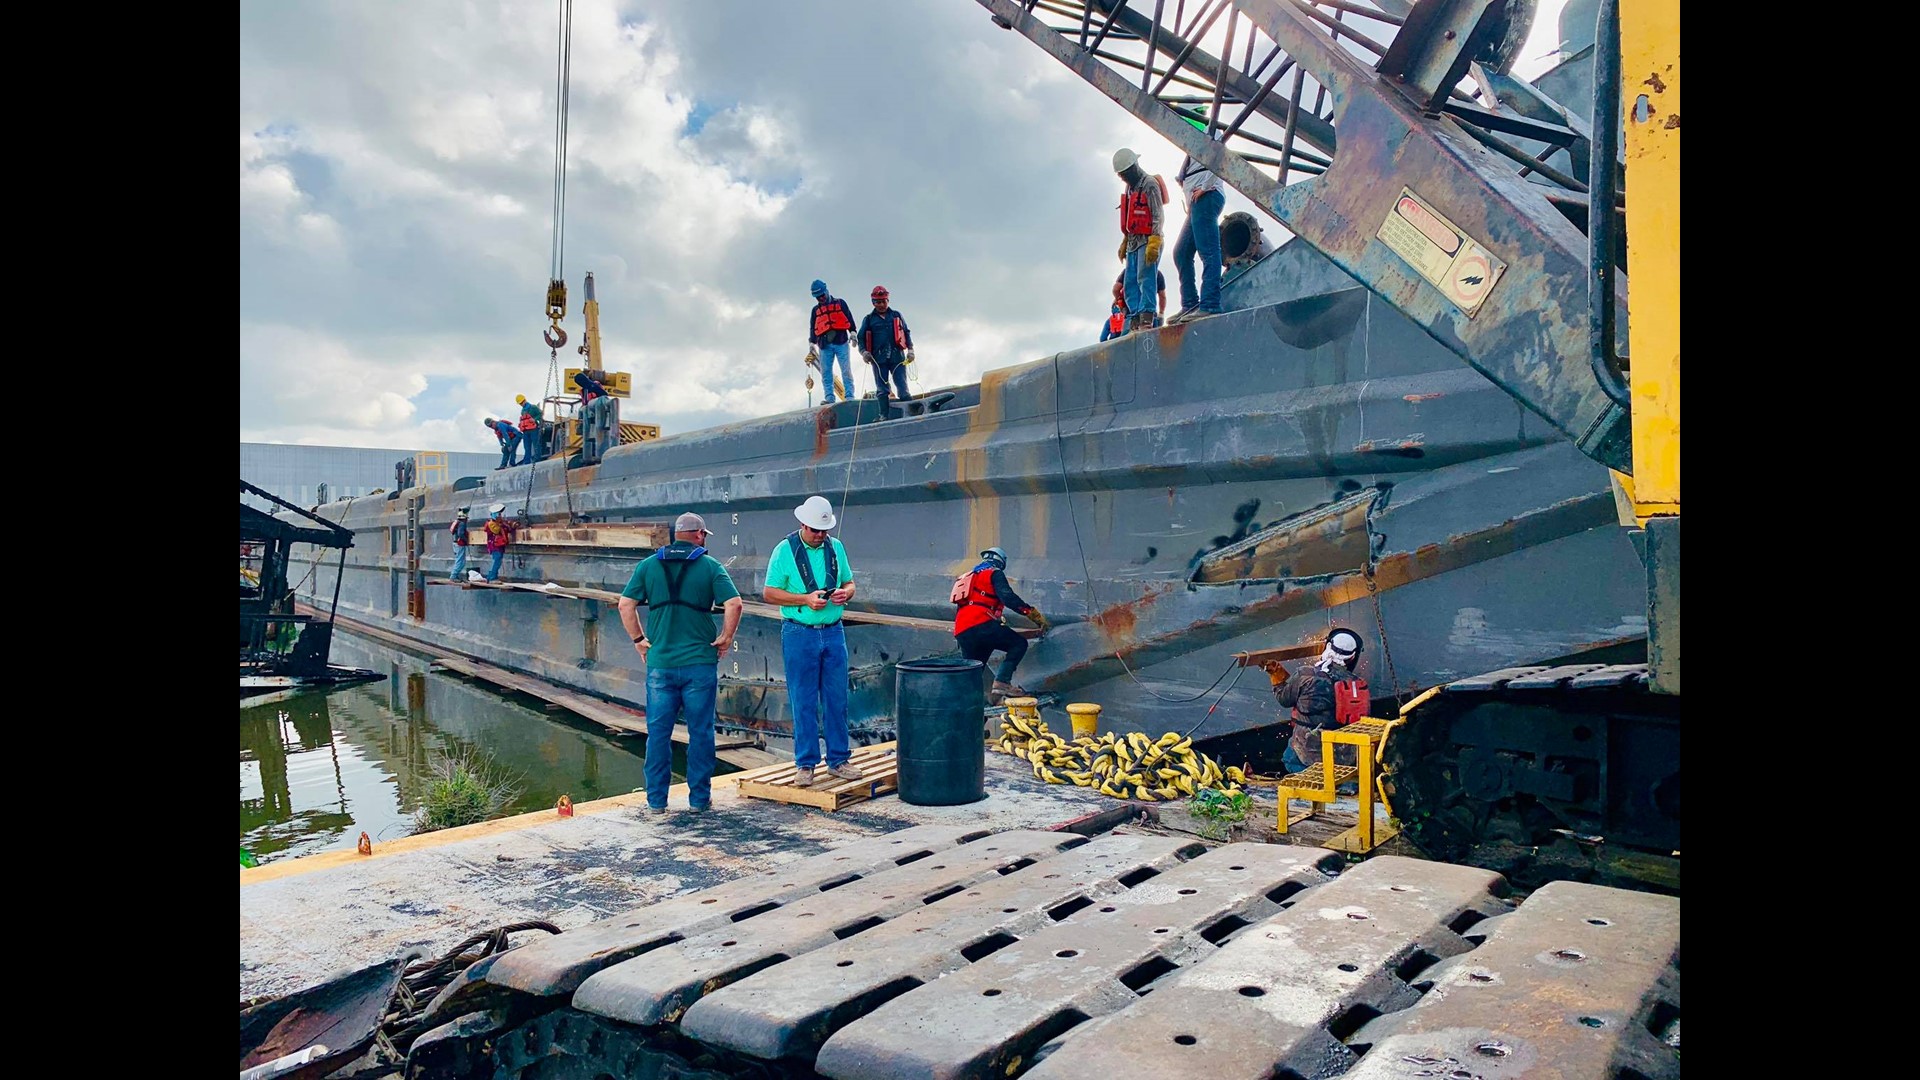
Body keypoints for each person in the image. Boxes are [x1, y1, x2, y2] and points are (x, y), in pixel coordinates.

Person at [618, 511, 744, 813]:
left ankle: (656, 802)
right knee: (700, 732)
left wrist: (639, 640)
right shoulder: (711, 566)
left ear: (677, 535)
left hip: (660, 663)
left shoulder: (648, 566)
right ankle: (699, 800)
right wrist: (726, 637)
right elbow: (735, 603)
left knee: (658, 734)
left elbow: (625, 604)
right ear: (699, 534)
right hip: (699, 663)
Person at [762, 495, 862, 787]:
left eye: (824, 531)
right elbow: (769, 593)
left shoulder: (836, 547)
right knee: (803, 698)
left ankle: (838, 760)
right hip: (799, 632)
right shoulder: (784, 550)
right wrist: (804, 599)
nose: (820, 535)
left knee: (837, 697)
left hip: (833, 630)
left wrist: (848, 593)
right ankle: (805, 764)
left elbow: (849, 581)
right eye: (815, 530)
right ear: (803, 524)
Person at [952, 546, 1050, 703]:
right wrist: (1032, 614)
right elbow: (1008, 598)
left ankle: (970, 706)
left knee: (974, 671)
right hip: (981, 624)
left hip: (962, 630)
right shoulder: (994, 573)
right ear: (1000, 562)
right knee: (1018, 644)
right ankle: (1002, 683)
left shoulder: (968, 577)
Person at [1276, 627, 1368, 778]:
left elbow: (1284, 699)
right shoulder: (1356, 684)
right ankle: (1345, 781)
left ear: (1328, 647)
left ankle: (1307, 774)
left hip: (1306, 755)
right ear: (1352, 657)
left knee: (1289, 758)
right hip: (1343, 760)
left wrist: (1276, 679)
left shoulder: (1304, 674)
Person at [1113, 147, 1167, 333]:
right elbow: (1130, 217)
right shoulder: (1130, 189)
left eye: (1124, 174)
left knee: (1146, 277)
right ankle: (1134, 317)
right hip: (1134, 242)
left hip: (1148, 240)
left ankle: (1146, 317)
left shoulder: (1150, 184)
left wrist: (1155, 239)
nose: (1123, 178)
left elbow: (1157, 214)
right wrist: (1125, 241)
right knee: (1130, 281)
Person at [1169, 152, 1225, 323]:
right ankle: (1190, 304)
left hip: (1207, 195)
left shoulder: (1212, 132)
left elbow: (1219, 158)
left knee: (1208, 250)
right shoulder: (1193, 147)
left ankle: (1210, 304)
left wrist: (1205, 186)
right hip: (1196, 202)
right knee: (1181, 253)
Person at [857, 286, 915, 413]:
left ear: (888, 300)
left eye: (884, 301)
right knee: (882, 389)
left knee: (903, 387)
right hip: (878, 360)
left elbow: (906, 332)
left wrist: (910, 350)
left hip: (897, 357)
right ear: (873, 303)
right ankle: (884, 414)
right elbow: (860, 338)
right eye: (878, 302)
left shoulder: (896, 315)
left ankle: (911, 411)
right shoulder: (868, 319)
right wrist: (864, 352)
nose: (881, 304)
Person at [807, 280, 859, 405]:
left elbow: (849, 318)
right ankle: (829, 397)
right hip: (824, 345)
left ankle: (849, 396)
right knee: (826, 372)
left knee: (846, 369)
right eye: (818, 297)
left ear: (826, 290)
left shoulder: (840, 303)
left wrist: (853, 332)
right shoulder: (815, 311)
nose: (821, 298)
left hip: (841, 342)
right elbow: (813, 327)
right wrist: (811, 343)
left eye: (822, 295)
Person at [572, 370, 616, 463]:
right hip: (589, 414)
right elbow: (585, 403)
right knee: (589, 436)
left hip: (599, 412)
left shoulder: (595, 385)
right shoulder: (583, 390)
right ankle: (590, 455)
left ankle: (601, 454)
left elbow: (603, 395)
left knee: (600, 432)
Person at [482, 503, 520, 581]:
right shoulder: (491, 524)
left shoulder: (499, 523)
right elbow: (496, 530)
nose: (500, 516)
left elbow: (507, 529)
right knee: (497, 561)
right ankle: (492, 578)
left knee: (497, 561)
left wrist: (511, 525)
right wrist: (502, 524)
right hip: (494, 545)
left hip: (499, 545)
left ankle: (490, 576)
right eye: (498, 514)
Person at [516, 394, 545, 465]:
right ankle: (527, 461)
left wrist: (534, 419)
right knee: (526, 447)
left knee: (536, 445)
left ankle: (537, 459)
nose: (521, 404)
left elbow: (541, 414)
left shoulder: (533, 407)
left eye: (522, 402)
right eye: (520, 403)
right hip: (526, 431)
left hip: (533, 430)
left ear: (524, 400)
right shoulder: (522, 411)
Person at [448, 507, 472, 580]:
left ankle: (456, 575)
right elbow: (461, 533)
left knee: (461, 561)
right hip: (459, 544)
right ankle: (453, 576)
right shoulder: (462, 524)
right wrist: (466, 540)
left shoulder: (456, 522)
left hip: (455, 544)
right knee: (460, 561)